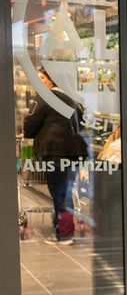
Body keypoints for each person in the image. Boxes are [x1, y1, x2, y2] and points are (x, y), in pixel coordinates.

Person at [22, 68, 88, 245]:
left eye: (42, 77)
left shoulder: (46, 96)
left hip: (56, 152)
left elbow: (30, 123)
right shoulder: (71, 97)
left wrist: (30, 133)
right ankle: (62, 226)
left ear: (52, 79)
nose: (39, 80)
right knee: (65, 191)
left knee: (60, 193)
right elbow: (81, 123)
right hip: (74, 152)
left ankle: (65, 233)